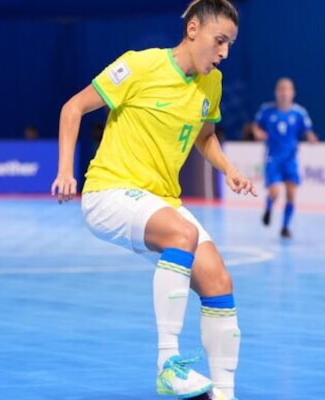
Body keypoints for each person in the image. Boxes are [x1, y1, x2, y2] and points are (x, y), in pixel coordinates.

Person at [50, 1, 253, 399]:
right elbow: (73, 108)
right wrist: (64, 170)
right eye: (220, 40)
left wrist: (228, 168)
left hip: (160, 199)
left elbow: (205, 135)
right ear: (193, 29)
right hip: (109, 191)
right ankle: (168, 365)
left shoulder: (211, 83)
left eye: (230, 44)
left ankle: (224, 394)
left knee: (218, 279)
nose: (224, 52)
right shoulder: (139, 67)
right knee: (181, 234)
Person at [252, 77, 318, 239]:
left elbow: (307, 130)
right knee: (274, 192)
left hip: (290, 159)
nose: (284, 93)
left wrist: (311, 137)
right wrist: (257, 132)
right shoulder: (267, 111)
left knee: (291, 194)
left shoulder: (299, 113)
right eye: (281, 89)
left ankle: (285, 227)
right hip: (273, 158)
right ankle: (268, 207)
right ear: (276, 92)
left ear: (293, 93)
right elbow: (255, 125)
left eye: (287, 89)